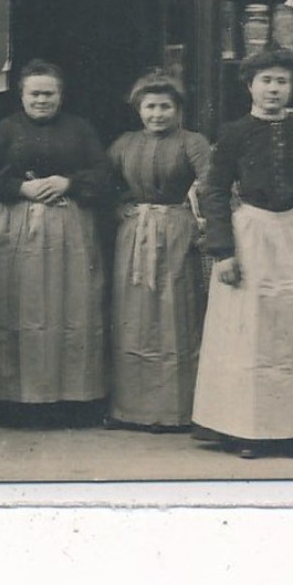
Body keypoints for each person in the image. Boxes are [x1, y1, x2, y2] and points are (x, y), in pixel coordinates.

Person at [194, 48, 293, 461]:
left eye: (282, 81)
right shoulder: (235, 133)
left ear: (291, 88)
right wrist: (222, 251)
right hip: (251, 235)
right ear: (250, 86)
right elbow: (215, 192)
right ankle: (247, 431)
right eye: (266, 81)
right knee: (249, 335)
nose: (274, 89)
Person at [0, 59, 110, 425]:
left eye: (49, 94)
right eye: (35, 93)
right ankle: (16, 403)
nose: (42, 100)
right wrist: (19, 187)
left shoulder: (80, 130)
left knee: (71, 310)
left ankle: (72, 402)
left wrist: (70, 183)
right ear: (22, 95)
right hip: (16, 229)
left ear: (61, 96)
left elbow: (104, 172)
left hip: (71, 230)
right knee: (20, 308)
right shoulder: (4, 130)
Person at [106, 70, 213, 431]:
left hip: (177, 232)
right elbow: (104, 182)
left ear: (178, 109)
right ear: (139, 109)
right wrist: (117, 206)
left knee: (175, 315)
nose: (157, 114)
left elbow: (210, 183)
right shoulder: (123, 143)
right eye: (150, 107)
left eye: (165, 107)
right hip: (135, 234)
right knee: (134, 317)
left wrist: (196, 217)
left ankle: (177, 411)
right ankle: (129, 409)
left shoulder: (192, 142)